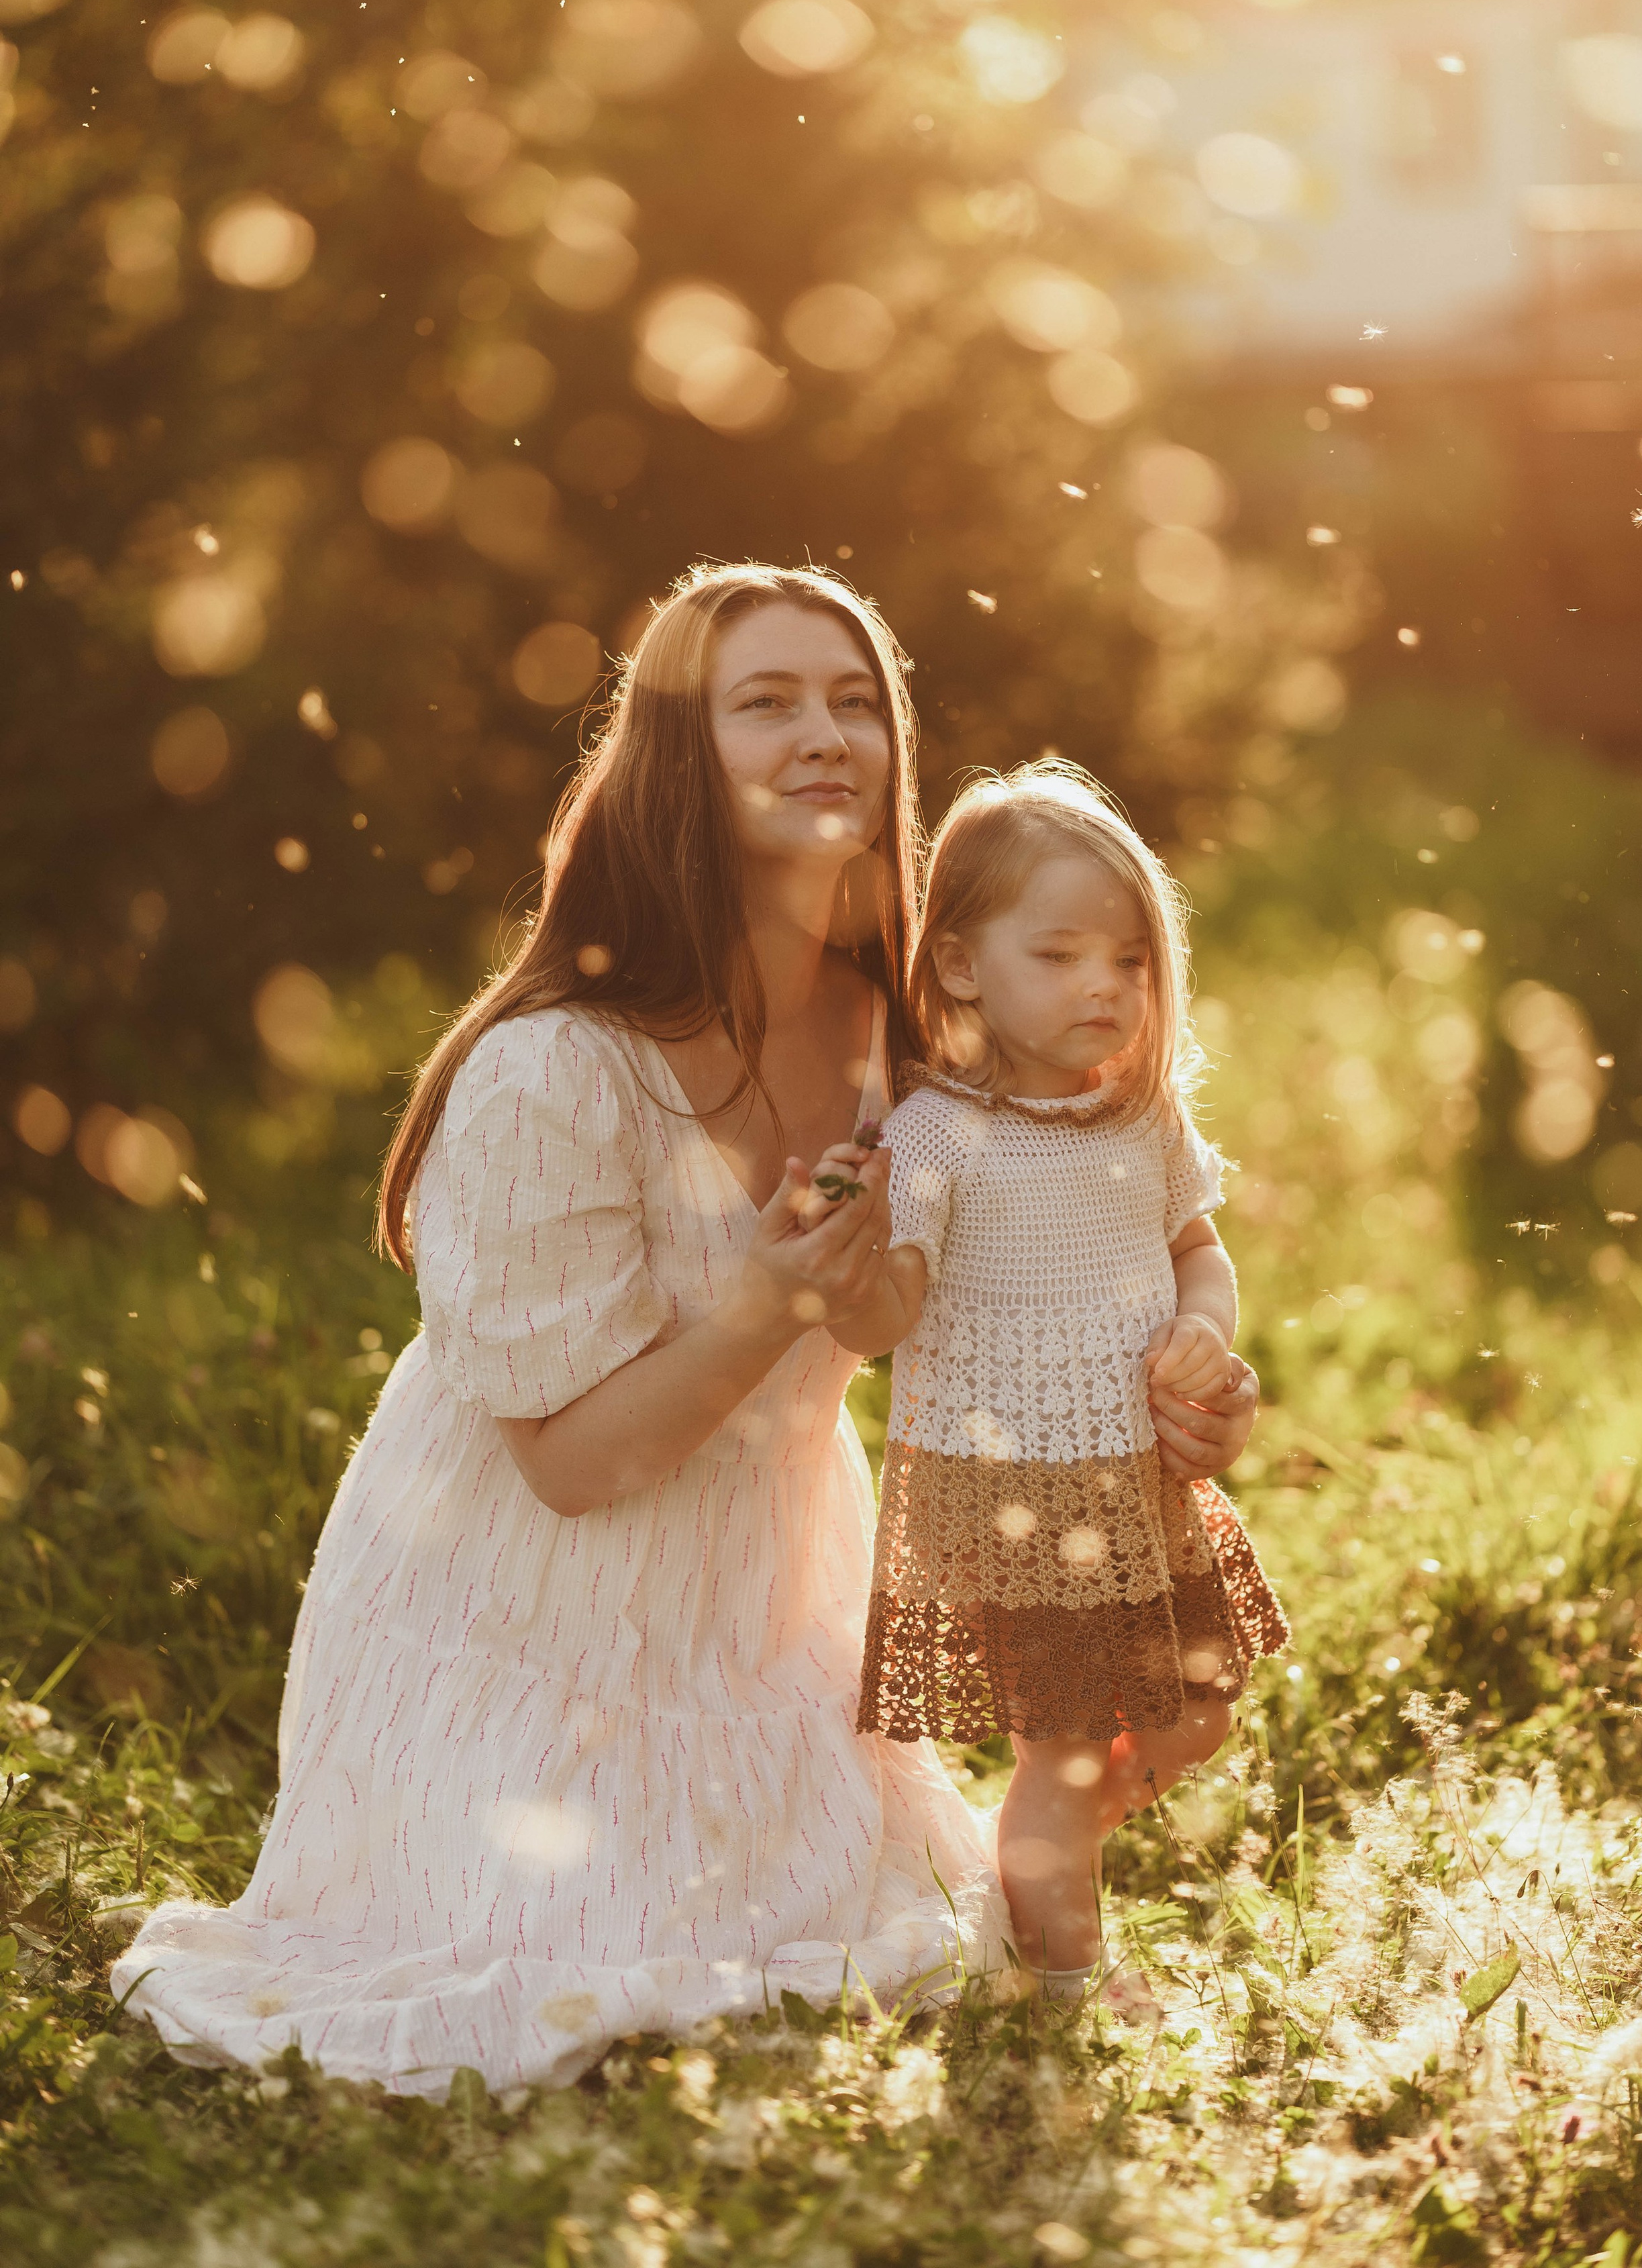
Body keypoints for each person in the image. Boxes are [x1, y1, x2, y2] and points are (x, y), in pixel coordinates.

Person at [114, 565, 1265, 2093]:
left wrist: (1180, 1392)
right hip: (527, 1615)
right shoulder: (555, 1072)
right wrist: (768, 1299)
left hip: (769, 1593)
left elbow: (1051, 1278)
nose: (824, 733)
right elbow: (573, 1470)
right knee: (563, 1977)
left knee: (873, 1944)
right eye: (765, 702)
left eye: (855, 701)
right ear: (675, 753)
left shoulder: (914, 1039)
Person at [829, 762, 1288, 1996]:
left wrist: (1205, 1328)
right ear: (967, 967)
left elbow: (1199, 1248)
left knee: (1197, 1718)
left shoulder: (1136, 1117)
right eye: (1063, 955)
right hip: (1012, 1499)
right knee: (1066, 1759)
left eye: (1131, 961)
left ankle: (1035, 1858)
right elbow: (887, 1314)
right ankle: (1072, 1978)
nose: (1105, 985)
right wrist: (839, 1260)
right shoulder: (939, 1134)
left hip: (1135, 1486)